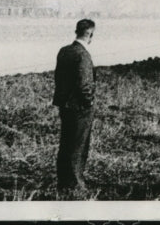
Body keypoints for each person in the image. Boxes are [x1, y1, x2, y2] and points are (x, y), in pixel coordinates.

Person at [52, 18, 96, 195]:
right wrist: (89, 102)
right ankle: (75, 184)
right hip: (80, 108)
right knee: (78, 146)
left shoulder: (64, 51)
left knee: (66, 144)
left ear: (76, 31)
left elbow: (58, 78)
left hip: (65, 106)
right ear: (90, 34)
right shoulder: (83, 55)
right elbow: (85, 85)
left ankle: (63, 181)